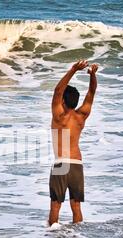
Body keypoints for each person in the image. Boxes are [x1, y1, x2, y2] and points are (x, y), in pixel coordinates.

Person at [48, 60, 98, 226]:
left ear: (62, 101)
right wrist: (93, 76)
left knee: (56, 205)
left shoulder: (59, 117)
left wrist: (73, 70)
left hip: (62, 164)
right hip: (77, 164)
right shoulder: (81, 116)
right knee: (76, 206)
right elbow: (91, 94)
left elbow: (57, 90)